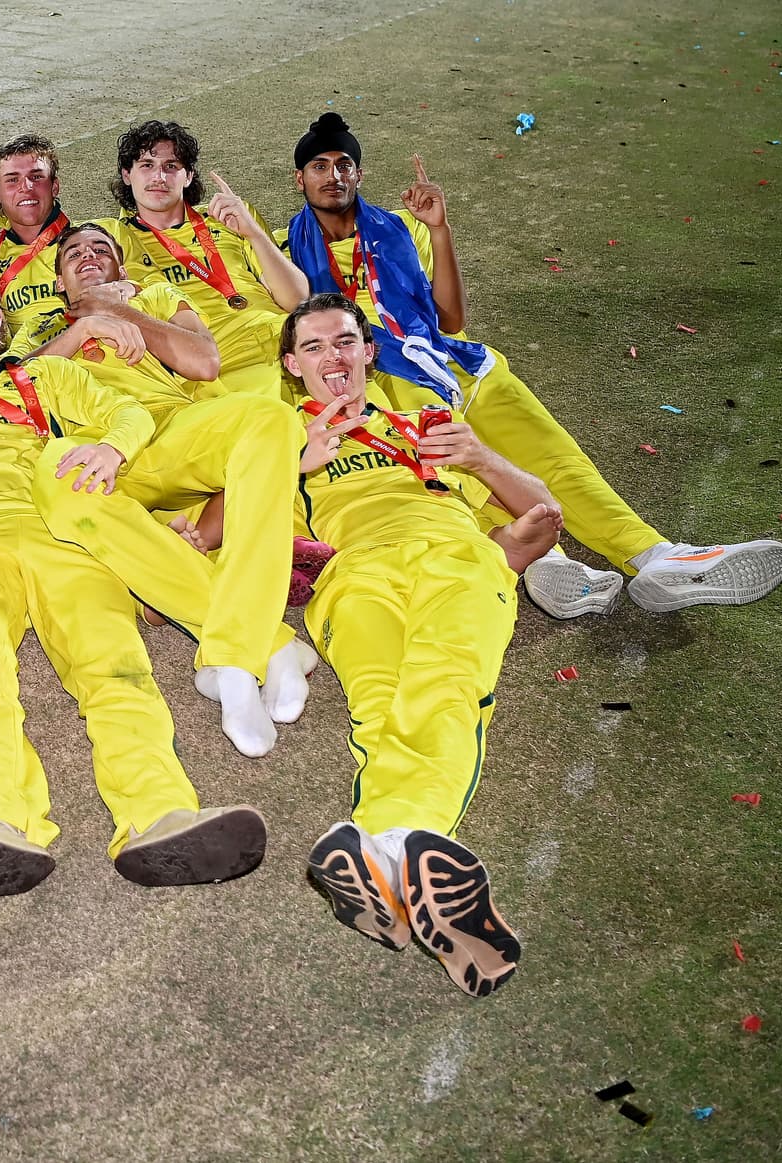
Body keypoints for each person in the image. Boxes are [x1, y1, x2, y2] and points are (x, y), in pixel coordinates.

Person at [0, 263, 270, 898]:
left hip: (62, 536)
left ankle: (160, 812)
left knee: (114, 667)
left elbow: (127, 412)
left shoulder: (50, 373)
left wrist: (111, 450)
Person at [282, 112, 782, 617]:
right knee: (458, 471)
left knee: (556, 459)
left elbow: (452, 319)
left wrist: (438, 230)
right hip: (384, 382)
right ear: (299, 178)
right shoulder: (288, 253)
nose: (334, 177)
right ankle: (556, 564)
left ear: (359, 174)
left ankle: (657, 556)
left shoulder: (398, 230)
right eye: (320, 166)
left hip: (454, 361)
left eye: (344, 164)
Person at [281, 293, 564, 997]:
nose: (333, 358)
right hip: (353, 575)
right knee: (379, 703)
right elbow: (226, 530)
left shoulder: (425, 426)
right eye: (314, 348)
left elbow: (541, 511)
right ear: (292, 366)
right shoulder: (278, 437)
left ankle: (389, 844)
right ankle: (406, 850)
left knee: (443, 682)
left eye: (344, 341)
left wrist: (483, 456)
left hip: (457, 558)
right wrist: (292, 467)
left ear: (368, 351)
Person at [12, 222, 314, 757]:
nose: (86, 257)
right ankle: (267, 646)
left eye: (100, 250)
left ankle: (235, 657)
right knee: (57, 483)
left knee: (273, 421)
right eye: (73, 255)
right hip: (97, 450)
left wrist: (123, 312)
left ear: (121, 268)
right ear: (58, 281)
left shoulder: (154, 296)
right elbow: (14, 387)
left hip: (175, 434)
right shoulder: (37, 325)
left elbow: (204, 362)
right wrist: (83, 329)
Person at [96, 118, 309, 396]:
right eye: (147, 165)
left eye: (170, 166)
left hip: (284, 336)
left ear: (189, 176)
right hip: (218, 360)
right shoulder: (112, 236)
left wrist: (254, 234)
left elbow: (297, 299)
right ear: (127, 175)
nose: (159, 177)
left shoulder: (228, 216)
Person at [0, 134, 73, 337]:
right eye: (12, 180)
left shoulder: (97, 239)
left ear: (54, 186)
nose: (26, 187)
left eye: (36, 177)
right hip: (28, 364)